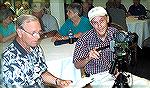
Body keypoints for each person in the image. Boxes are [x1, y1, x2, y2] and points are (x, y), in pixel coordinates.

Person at [2, 15, 72, 88]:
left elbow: (41, 72)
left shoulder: (35, 47)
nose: (38, 37)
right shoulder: (9, 61)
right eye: (33, 33)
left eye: (39, 32)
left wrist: (58, 81)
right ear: (19, 32)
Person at [73, 6, 117, 76]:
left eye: (101, 21)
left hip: (115, 73)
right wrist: (88, 58)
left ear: (107, 19)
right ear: (91, 24)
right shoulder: (84, 39)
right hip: (95, 76)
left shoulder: (115, 33)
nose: (99, 26)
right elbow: (77, 64)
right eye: (95, 22)